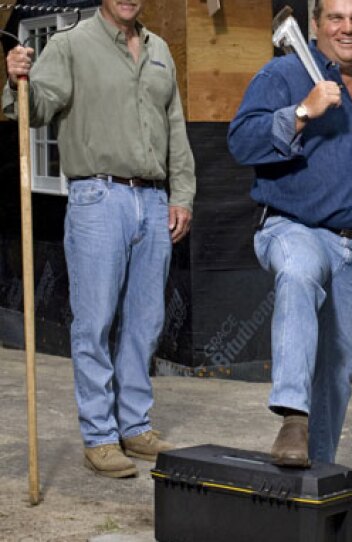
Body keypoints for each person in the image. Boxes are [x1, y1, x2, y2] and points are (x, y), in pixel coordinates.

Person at [227, 0, 352, 508]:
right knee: (300, 272)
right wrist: (303, 111)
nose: (346, 28)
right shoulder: (284, 73)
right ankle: (292, 415)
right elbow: (241, 142)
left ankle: (320, 485)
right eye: (335, 17)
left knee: (336, 370)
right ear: (314, 25)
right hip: (294, 227)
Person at [3, 0, 195, 478]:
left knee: (146, 321)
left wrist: (183, 194)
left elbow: (175, 124)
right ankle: (100, 436)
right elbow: (37, 107)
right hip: (97, 196)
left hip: (152, 200)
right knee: (94, 323)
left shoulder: (160, 50)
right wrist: (15, 79)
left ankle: (135, 426)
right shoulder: (70, 44)